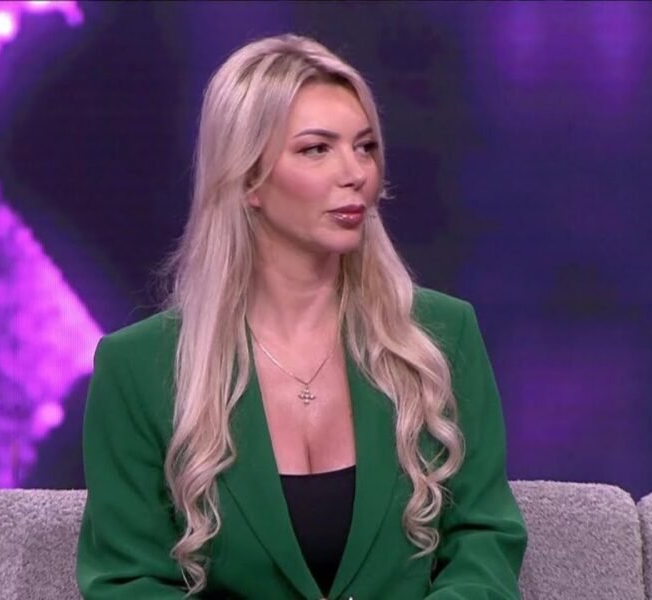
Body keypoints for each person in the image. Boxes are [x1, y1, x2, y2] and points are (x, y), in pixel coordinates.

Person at [75, 33, 527, 600]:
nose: (355, 173)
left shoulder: (440, 337)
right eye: (317, 149)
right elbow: (125, 582)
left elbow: (483, 540)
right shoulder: (138, 368)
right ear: (248, 179)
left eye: (364, 147)